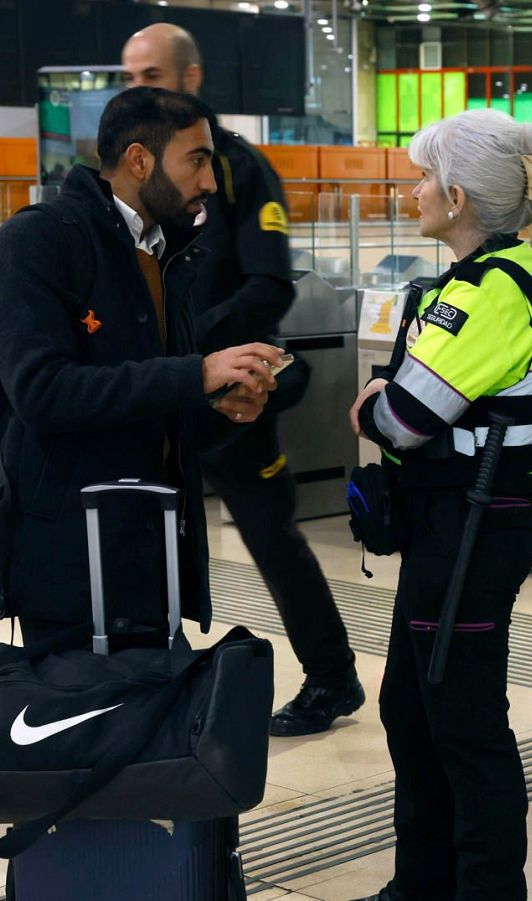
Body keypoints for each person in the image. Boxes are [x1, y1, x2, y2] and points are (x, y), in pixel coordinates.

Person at [0, 87, 284, 646]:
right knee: (89, 726)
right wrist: (196, 375)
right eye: (197, 159)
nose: (210, 181)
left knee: (159, 719)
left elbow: (148, 408)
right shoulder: (36, 241)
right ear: (140, 160)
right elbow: (42, 392)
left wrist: (218, 407)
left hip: (151, 548)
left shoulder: (167, 253)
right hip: (70, 559)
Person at [346, 108, 532, 901]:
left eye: (423, 177)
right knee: (413, 706)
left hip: (471, 529)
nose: (412, 191)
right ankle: (423, 883)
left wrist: (373, 403)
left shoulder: (484, 294)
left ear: (460, 195)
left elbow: (401, 419)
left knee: (463, 722)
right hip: (457, 527)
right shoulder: (508, 277)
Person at [122, 23, 362, 737]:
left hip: (231, 393)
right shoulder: (128, 172)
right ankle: (154, 681)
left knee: (269, 533)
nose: (138, 89)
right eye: (130, 77)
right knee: (142, 532)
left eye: (153, 76)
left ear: (190, 80)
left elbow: (269, 284)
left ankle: (332, 677)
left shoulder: (236, 168)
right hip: (156, 387)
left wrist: (199, 350)